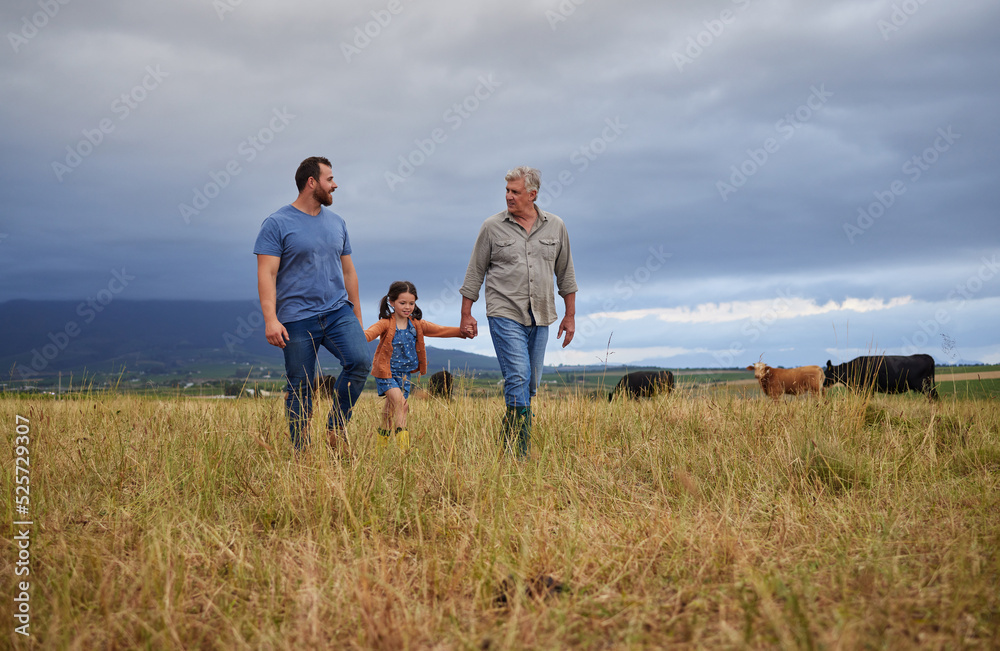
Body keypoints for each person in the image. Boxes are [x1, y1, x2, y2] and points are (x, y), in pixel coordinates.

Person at [254, 156, 372, 454]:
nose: (335, 184)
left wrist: (356, 317)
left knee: (359, 361)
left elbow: (349, 271)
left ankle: (335, 427)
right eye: (330, 179)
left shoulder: (338, 223)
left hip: (337, 311)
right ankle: (301, 451)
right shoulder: (276, 223)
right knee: (300, 386)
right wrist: (271, 319)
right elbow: (266, 274)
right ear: (311, 182)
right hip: (296, 318)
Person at [459, 166, 577, 459]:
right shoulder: (491, 226)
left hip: (541, 315)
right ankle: (518, 451)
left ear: (532, 194)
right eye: (507, 191)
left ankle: (510, 438)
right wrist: (466, 314)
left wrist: (570, 315)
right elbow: (475, 272)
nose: (509, 197)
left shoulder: (556, 226)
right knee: (519, 375)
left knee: (530, 383)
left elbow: (566, 275)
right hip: (503, 311)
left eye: (515, 192)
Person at [364, 281, 467, 452]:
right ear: (391, 302)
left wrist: (462, 332)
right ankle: (404, 451)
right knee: (402, 405)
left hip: (405, 375)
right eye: (402, 303)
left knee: (389, 412)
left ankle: (379, 451)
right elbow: (369, 333)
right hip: (386, 373)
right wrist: (352, 337)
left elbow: (439, 330)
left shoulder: (416, 324)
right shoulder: (385, 323)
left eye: (411, 303)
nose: (407, 307)